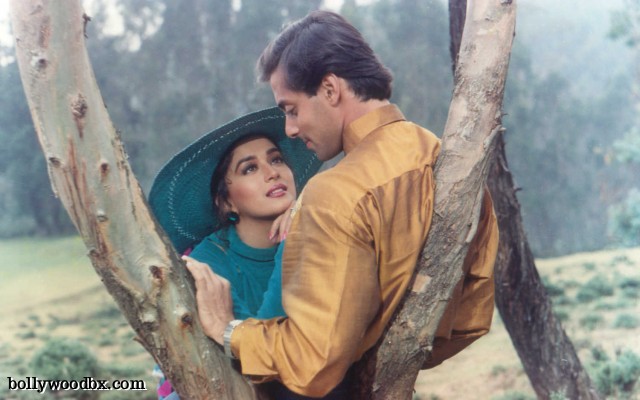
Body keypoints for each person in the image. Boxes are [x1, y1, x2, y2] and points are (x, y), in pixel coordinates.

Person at [185, 10, 499, 398]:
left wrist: (228, 331)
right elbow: (470, 317)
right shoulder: (448, 161)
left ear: (331, 89)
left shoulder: (334, 194)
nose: (290, 129)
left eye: (292, 109)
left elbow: (313, 363)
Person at [149, 108, 349, 399]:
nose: (273, 172)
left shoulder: (322, 239)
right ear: (226, 203)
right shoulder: (206, 265)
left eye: (276, 159)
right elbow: (264, 355)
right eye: (250, 169)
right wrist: (293, 240)